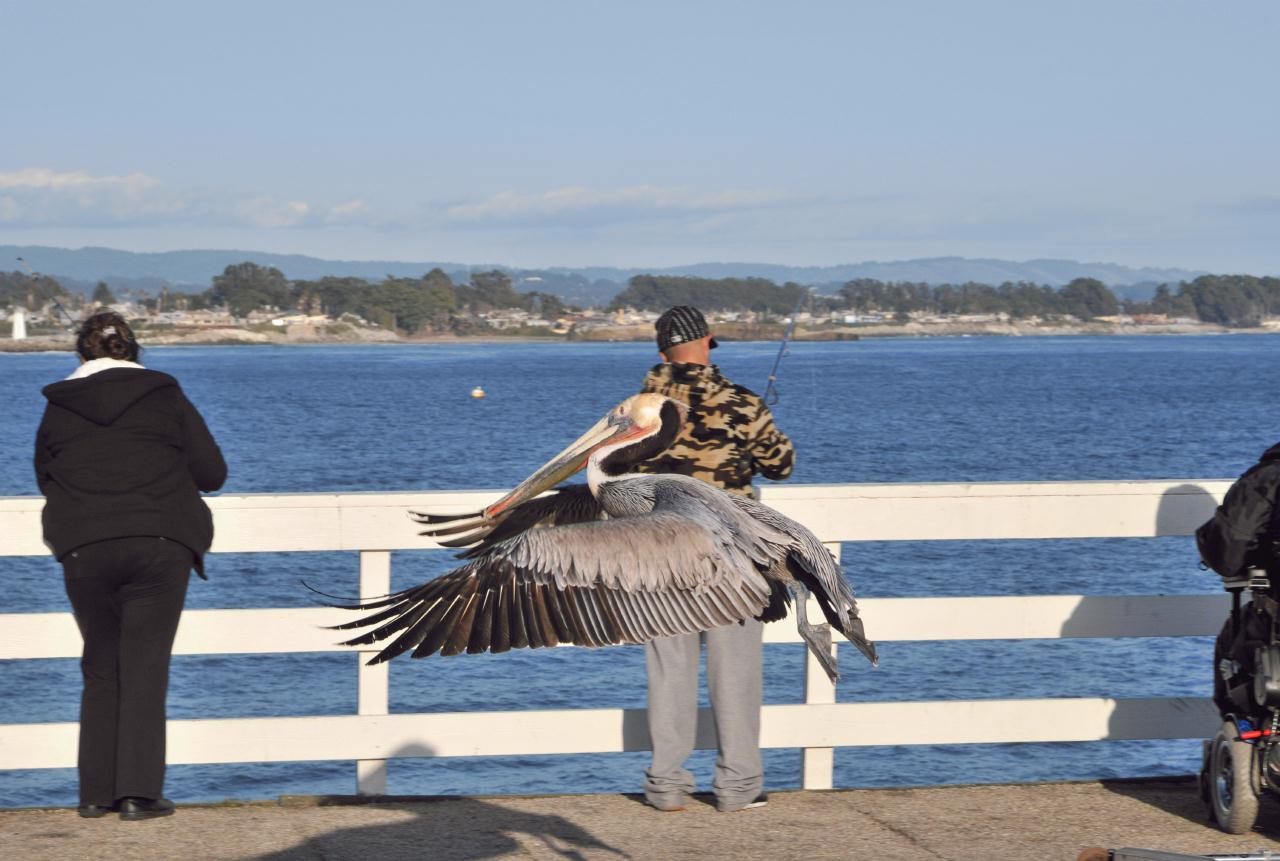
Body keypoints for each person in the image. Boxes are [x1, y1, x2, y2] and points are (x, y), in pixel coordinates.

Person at [34, 311, 226, 821]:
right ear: (134, 351)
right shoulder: (165, 395)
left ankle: (95, 795)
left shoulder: (59, 405)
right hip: (159, 542)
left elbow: (44, 475)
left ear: (81, 353)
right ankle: (139, 795)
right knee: (145, 667)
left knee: (100, 666)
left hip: (84, 546)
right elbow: (212, 472)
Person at [634, 305, 795, 813]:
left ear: (662, 352)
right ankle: (738, 786)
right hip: (733, 557)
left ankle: (665, 786)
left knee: (669, 670)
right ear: (707, 343)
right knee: (737, 671)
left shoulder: (637, 411)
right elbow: (782, 465)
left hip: (661, 554)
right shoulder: (743, 404)